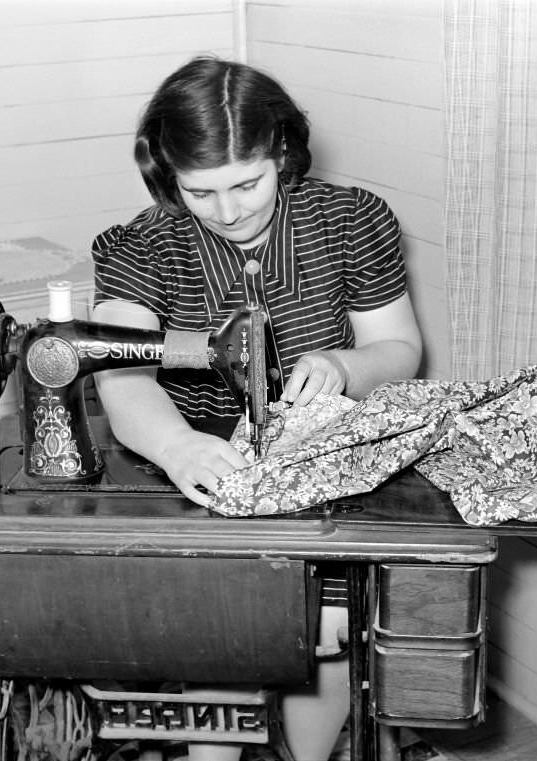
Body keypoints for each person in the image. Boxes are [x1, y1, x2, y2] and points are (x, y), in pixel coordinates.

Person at [90, 56, 422, 761]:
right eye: (200, 191)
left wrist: (344, 365)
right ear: (166, 174)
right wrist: (178, 447)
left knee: (332, 631)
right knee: (220, 634)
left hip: (323, 456)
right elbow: (122, 379)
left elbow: (398, 348)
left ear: (282, 152)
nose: (230, 210)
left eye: (248, 182)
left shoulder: (352, 221)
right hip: (194, 457)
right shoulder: (145, 247)